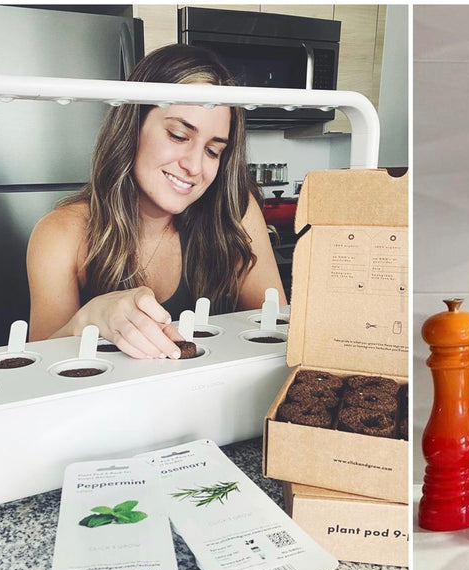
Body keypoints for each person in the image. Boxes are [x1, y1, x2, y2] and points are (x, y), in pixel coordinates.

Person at [27, 44, 284, 359]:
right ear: (132, 126)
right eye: (178, 135)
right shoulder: (62, 234)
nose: (194, 167)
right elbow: (39, 373)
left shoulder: (235, 211)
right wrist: (86, 320)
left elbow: (279, 333)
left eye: (213, 150)